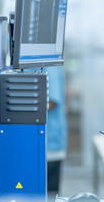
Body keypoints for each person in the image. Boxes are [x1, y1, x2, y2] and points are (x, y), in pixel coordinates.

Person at [46, 66, 68, 194]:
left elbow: (52, 101)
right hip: (46, 140)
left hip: (51, 141)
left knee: (49, 194)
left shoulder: (50, 66)